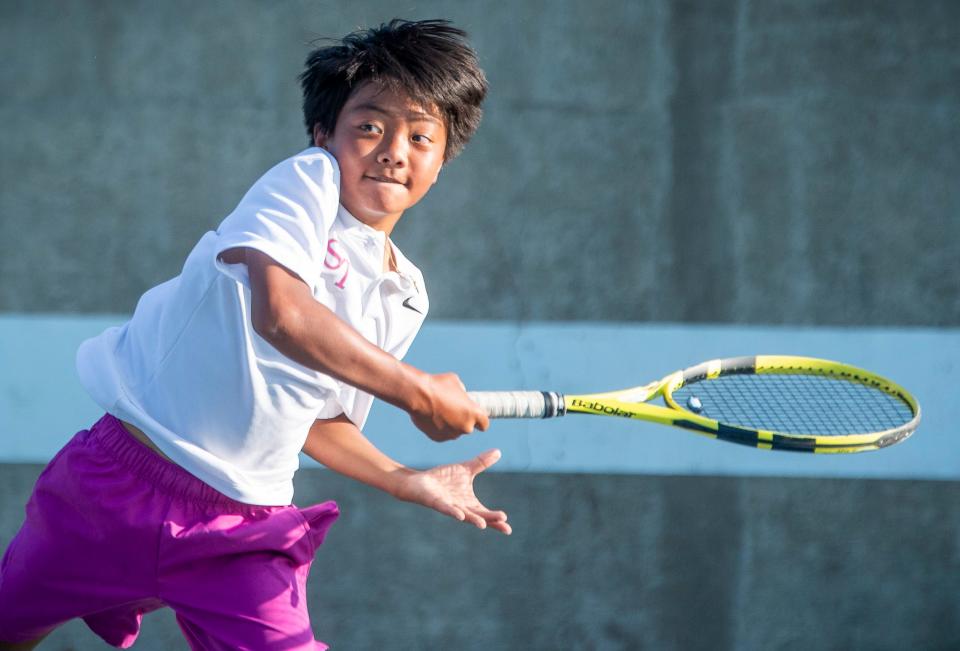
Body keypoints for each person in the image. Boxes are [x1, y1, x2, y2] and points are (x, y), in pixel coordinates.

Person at [0, 18, 508, 650]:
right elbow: (283, 315)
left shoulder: (406, 294)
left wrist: (408, 477)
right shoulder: (306, 183)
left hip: (240, 530)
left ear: (443, 158)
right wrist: (414, 391)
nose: (393, 150)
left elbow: (318, 423)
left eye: (421, 135)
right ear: (324, 135)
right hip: (111, 485)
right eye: (370, 126)